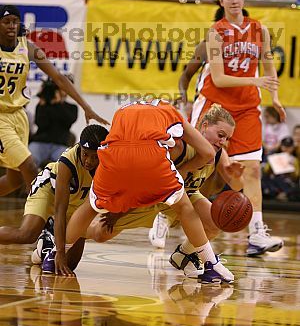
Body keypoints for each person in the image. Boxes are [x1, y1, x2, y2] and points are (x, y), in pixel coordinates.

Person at [59, 101, 238, 285]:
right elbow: (141, 176)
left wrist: (230, 177)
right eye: (220, 135)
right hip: (149, 198)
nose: (223, 142)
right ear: (205, 126)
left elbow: (206, 190)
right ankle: (71, 231)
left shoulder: (217, 155)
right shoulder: (178, 143)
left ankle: (184, 255)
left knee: (215, 220)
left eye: (227, 139)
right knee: (101, 234)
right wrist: (119, 211)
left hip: (179, 197)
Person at [189, 0, 286, 257]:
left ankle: (257, 234)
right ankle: (165, 215)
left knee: (252, 170)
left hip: (246, 108)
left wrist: (275, 98)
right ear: (221, 3)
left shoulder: (260, 30)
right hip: (216, 105)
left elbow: (269, 69)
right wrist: (256, 79)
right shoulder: (215, 33)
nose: (234, 1)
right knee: (202, 164)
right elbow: (218, 77)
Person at [0, 4, 109, 196]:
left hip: (19, 116)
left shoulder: (27, 47)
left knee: (14, 179)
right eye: (6, 22)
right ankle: (42, 219)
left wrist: (86, 107)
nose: (11, 26)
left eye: (15, 22)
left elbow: (59, 78)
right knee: (31, 168)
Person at [0, 124, 108, 273]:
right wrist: (60, 252)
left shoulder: (109, 164)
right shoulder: (67, 162)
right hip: (48, 190)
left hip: (76, 199)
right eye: (85, 154)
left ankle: (45, 245)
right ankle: (48, 236)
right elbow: (59, 210)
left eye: (95, 157)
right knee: (27, 234)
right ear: (79, 147)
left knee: (69, 266)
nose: (89, 160)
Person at [29, 77, 78, 168]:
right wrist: (43, 103)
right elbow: (41, 123)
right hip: (40, 142)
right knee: (29, 162)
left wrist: (58, 103)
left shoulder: (71, 107)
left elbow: (68, 121)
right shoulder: (43, 105)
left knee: (66, 166)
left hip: (60, 144)